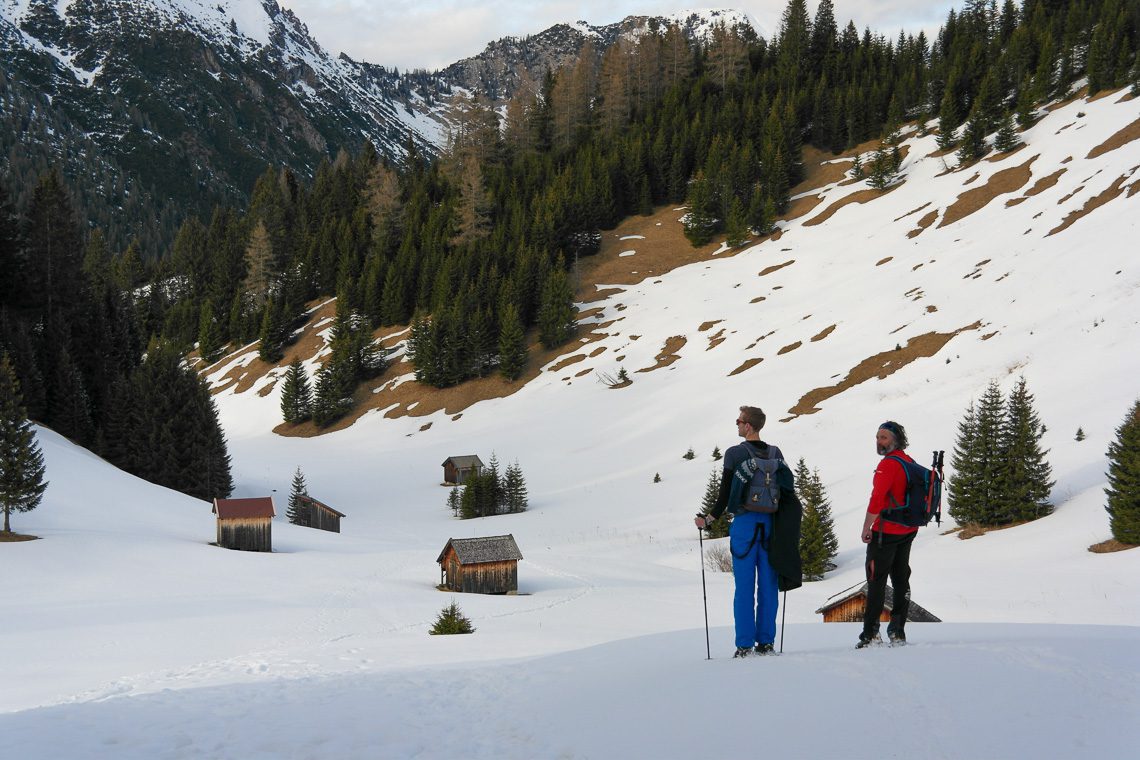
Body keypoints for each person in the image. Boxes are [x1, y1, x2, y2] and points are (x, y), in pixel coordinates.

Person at [695, 406, 802, 657]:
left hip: (744, 525)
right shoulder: (776, 453)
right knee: (768, 585)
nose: (737, 425)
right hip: (772, 527)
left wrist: (707, 519)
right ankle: (766, 643)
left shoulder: (734, 453)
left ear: (749, 426)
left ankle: (744, 645)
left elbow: (724, 496)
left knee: (744, 588)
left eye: (739, 421)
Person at [857, 420, 918, 648]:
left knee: (876, 581)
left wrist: (866, 528)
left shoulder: (888, 465)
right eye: (877, 437)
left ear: (895, 440)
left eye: (883, 437)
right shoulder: (909, 461)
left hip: (885, 532)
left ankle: (871, 634)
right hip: (908, 530)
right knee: (901, 579)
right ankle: (898, 631)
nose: (879, 441)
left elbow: (877, 499)